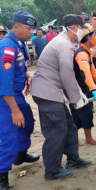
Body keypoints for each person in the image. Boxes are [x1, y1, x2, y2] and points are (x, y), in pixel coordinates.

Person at [31, 14, 92, 180]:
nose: (82, 32)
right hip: (47, 93)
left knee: (69, 126)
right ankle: (52, 170)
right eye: (81, 29)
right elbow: (66, 73)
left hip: (53, 92)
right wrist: (76, 98)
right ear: (73, 28)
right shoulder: (63, 44)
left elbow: (67, 75)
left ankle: (73, 159)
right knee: (56, 130)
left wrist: (78, 93)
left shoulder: (66, 43)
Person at [0, 11, 40, 190]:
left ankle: (21, 155)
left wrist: (26, 74)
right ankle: (2, 178)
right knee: (9, 137)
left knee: (27, 124)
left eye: (33, 28)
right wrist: (14, 110)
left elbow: (19, 66)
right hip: (6, 99)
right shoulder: (7, 48)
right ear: (16, 26)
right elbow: (4, 84)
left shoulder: (19, 43)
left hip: (18, 95)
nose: (31, 31)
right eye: (28, 28)